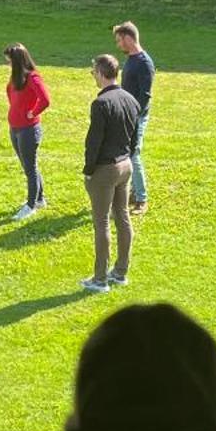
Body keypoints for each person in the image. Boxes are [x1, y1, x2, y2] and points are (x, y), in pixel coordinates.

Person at [81, 52, 141, 294]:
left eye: (94, 72)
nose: (93, 76)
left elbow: (93, 141)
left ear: (102, 73)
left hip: (105, 168)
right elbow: (135, 138)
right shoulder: (131, 99)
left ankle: (99, 279)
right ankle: (120, 272)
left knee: (102, 222)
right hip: (126, 165)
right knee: (123, 217)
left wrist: (88, 171)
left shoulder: (101, 104)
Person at [4, 42, 51, 219]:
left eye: (9, 61)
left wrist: (32, 112)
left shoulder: (33, 78)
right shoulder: (16, 79)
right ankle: (39, 199)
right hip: (15, 128)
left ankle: (31, 205)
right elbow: (11, 96)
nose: (7, 65)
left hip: (28, 130)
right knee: (28, 166)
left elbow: (45, 99)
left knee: (30, 168)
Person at [113, 21, 155, 215]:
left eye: (120, 40)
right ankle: (132, 193)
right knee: (127, 154)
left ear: (129, 39)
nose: (118, 44)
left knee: (133, 154)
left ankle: (141, 199)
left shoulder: (144, 63)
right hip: (127, 114)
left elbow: (145, 97)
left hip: (136, 116)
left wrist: (133, 117)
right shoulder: (131, 59)